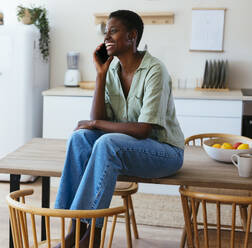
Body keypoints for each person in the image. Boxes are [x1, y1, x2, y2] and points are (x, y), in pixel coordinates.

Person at [54, 10, 184, 248]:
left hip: (165, 152)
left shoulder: (155, 70)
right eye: (106, 33)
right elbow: (98, 118)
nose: (107, 38)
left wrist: (95, 124)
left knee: (106, 141)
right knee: (81, 138)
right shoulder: (112, 70)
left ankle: (92, 235)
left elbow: (143, 130)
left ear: (132, 36)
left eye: (113, 31)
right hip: (127, 150)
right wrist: (101, 75)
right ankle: (72, 229)